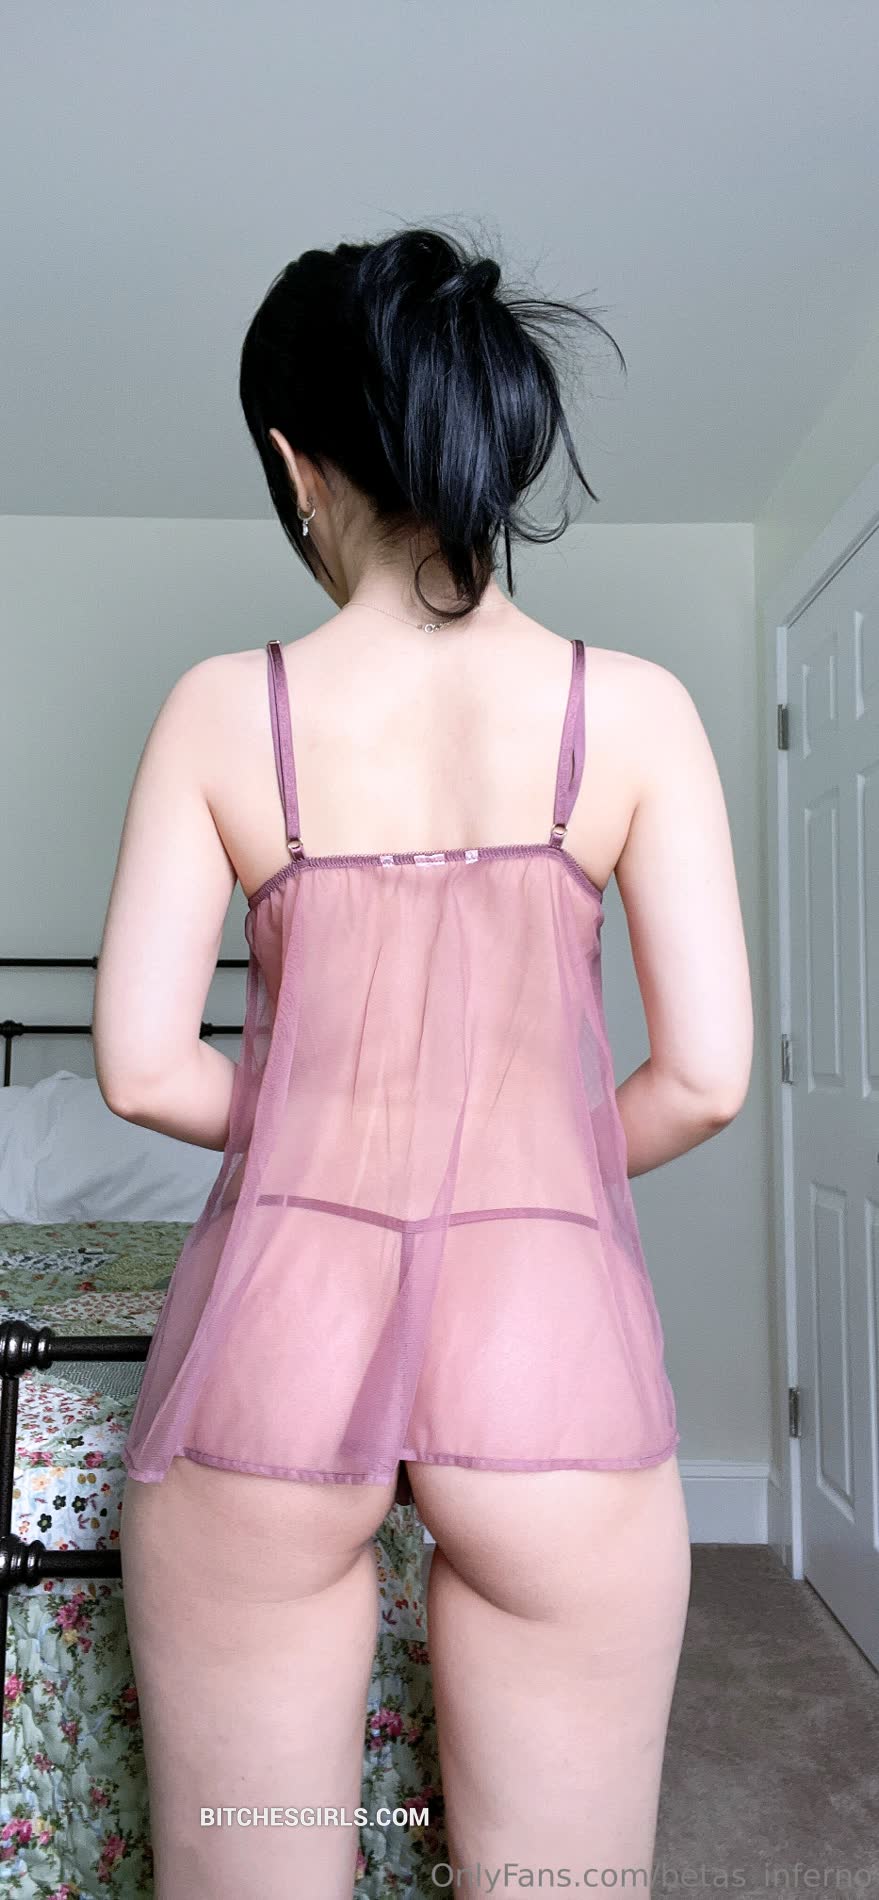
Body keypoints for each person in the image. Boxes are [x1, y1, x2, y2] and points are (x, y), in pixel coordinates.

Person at [93, 223, 753, 1899]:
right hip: (550, 1340)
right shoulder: (637, 711)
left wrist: (325, 1125)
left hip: (276, 1328)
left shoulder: (223, 709)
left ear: (293, 464)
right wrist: (524, 1144)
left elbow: (144, 1068)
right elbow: (705, 1078)